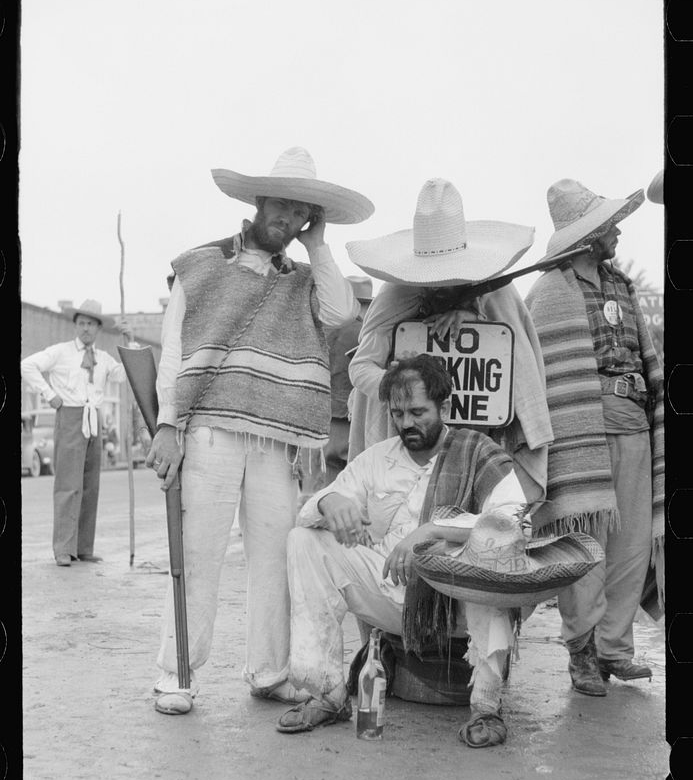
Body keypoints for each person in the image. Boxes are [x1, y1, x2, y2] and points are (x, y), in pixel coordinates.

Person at [146, 146, 374, 715]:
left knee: (274, 557)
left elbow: (343, 312)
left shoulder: (303, 280)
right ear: (258, 201)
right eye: (283, 205)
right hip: (210, 433)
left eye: (303, 212)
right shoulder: (199, 264)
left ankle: (269, 672)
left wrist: (319, 246)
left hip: (275, 441)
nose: (290, 218)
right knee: (198, 554)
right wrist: (168, 426)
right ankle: (177, 673)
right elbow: (173, 352)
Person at [276, 355, 530, 747]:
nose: (407, 423)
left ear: (444, 407)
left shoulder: (476, 451)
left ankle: (486, 708)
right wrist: (329, 503)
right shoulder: (378, 458)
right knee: (304, 539)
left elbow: (514, 521)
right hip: (392, 595)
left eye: (418, 412)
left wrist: (431, 533)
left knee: (491, 555)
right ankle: (326, 692)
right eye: (398, 413)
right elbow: (318, 506)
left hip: (459, 603)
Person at [524, 178, 665, 695]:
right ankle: (581, 650)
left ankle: (614, 650)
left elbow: (645, 358)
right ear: (587, 236)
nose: (618, 233)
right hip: (580, 430)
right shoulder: (548, 291)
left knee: (631, 547)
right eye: (609, 226)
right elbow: (530, 371)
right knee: (585, 547)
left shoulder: (622, 286)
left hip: (634, 425)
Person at [345, 179, 554, 509]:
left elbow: (520, 369)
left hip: (480, 439)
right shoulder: (395, 293)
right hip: (409, 434)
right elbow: (360, 367)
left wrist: (474, 323)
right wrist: (396, 383)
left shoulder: (497, 290)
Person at [20, 299, 136, 566]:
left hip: (93, 420)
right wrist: (50, 395)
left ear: (97, 329)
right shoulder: (60, 352)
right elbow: (27, 365)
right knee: (67, 486)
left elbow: (123, 375)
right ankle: (63, 549)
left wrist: (129, 341)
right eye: (82, 323)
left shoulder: (104, 358)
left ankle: (83, 547)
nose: (86, 329)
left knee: (89, 486)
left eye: (91, 324)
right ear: (76, 326)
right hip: (70, 417)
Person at [299, 274, 373, 501]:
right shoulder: (364, 332)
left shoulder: (319, 325)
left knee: (312, 480)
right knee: (344, 482)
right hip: (346, 416)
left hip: (313, 412)